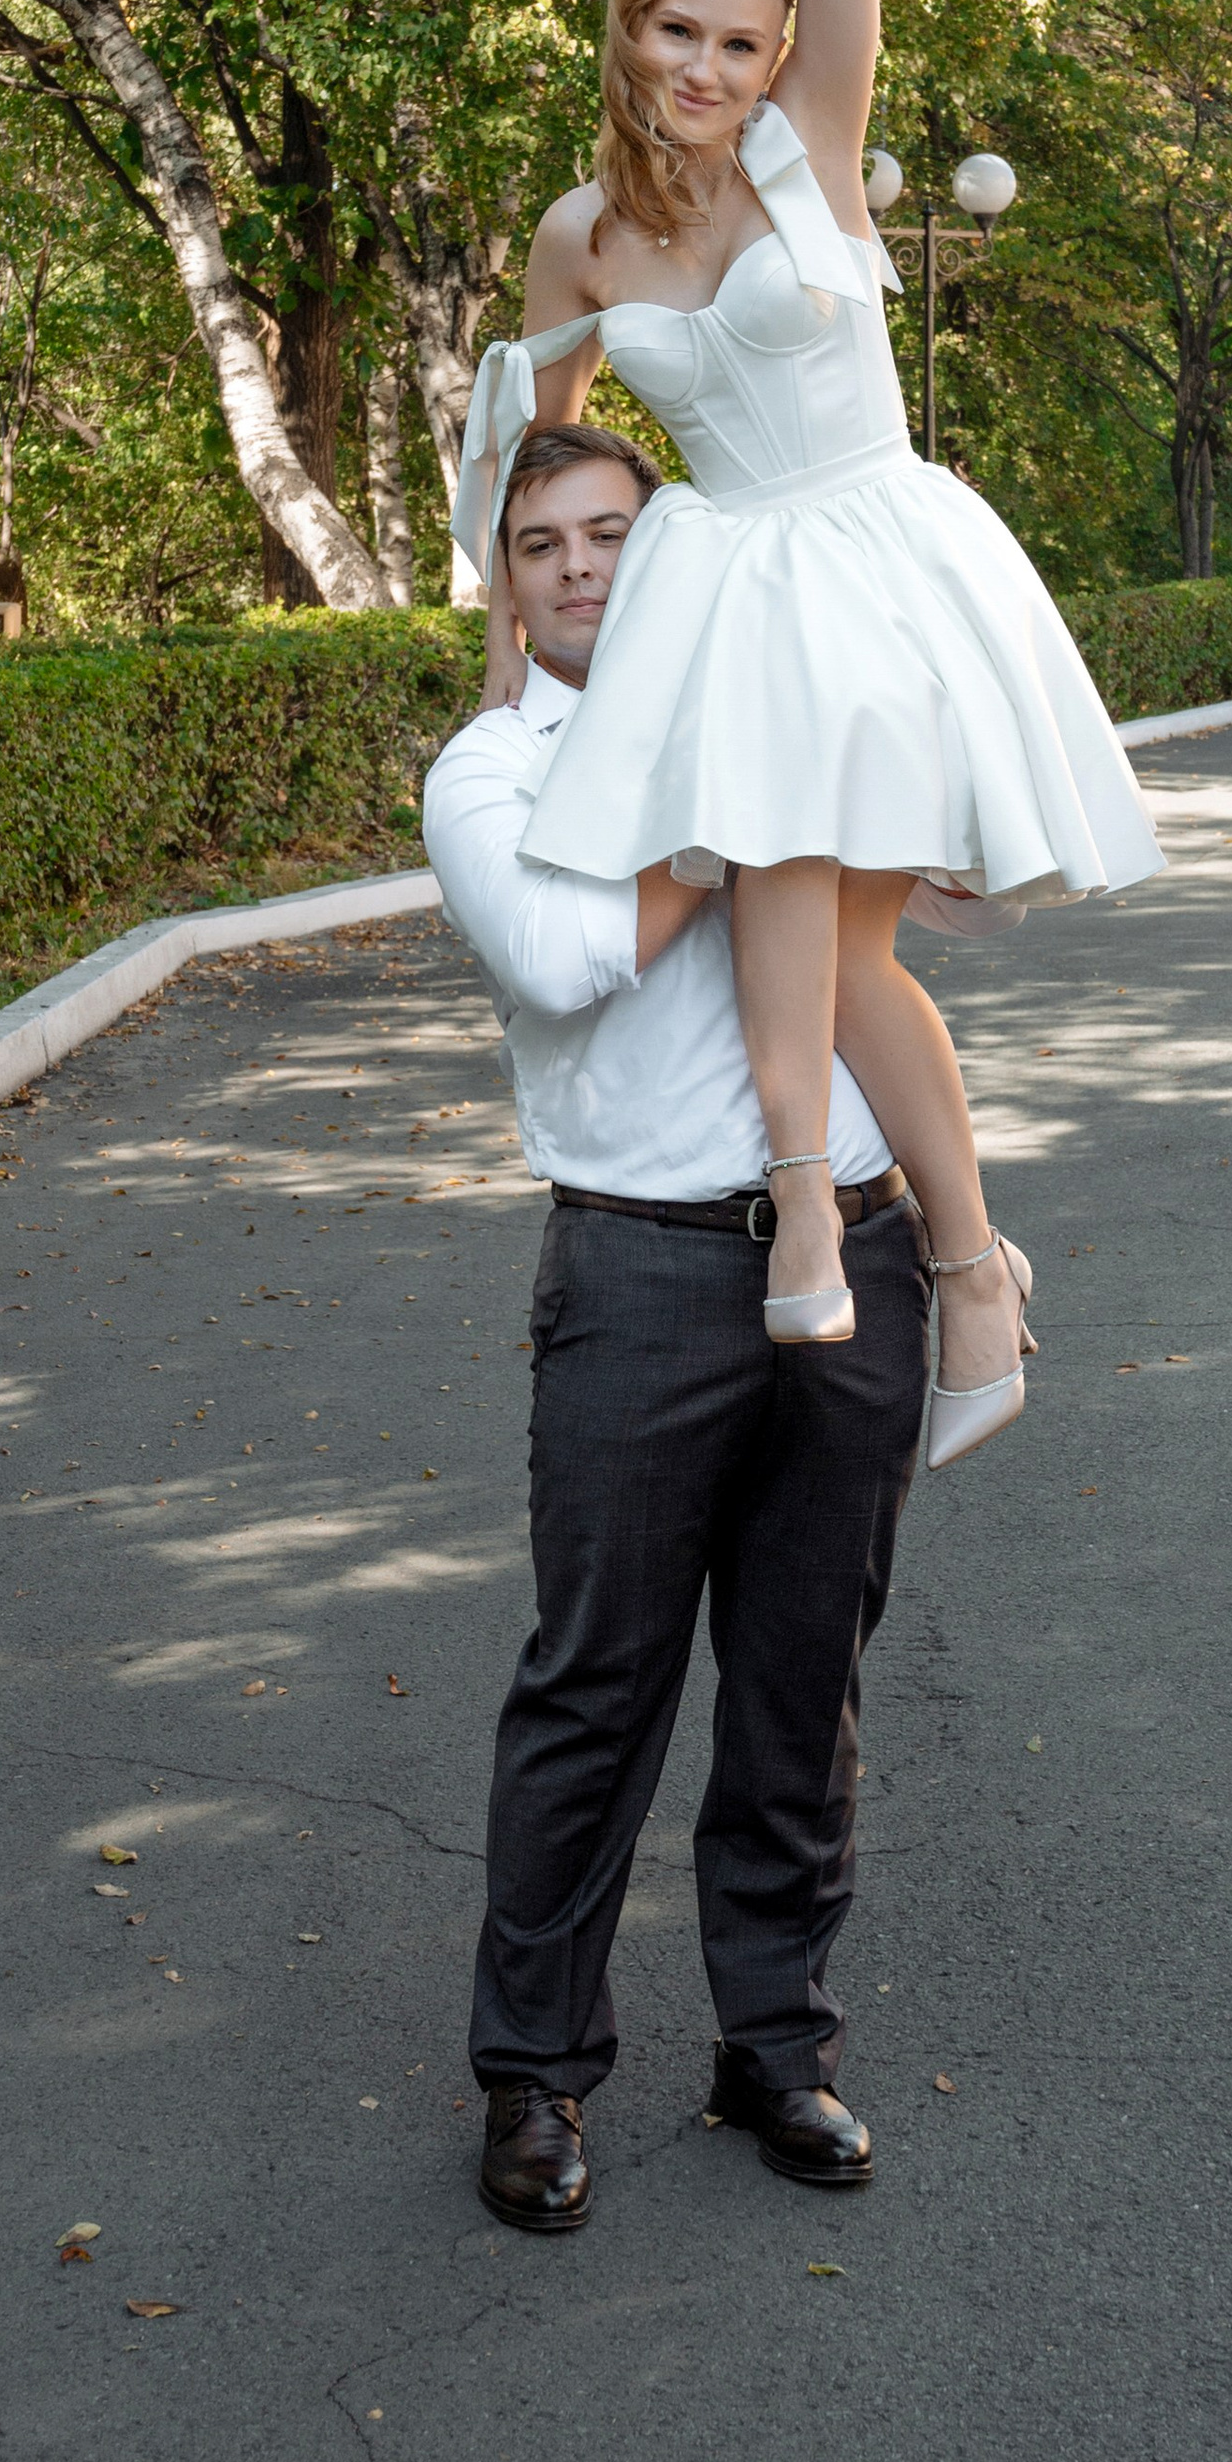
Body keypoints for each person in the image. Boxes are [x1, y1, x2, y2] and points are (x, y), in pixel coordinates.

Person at [453, 0, 1158, 1459]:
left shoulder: (810, 153)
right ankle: (886, 1240)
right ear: (629, 30)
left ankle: (932, 1254)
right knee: (814, 919)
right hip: (733, 575)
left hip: (875, 550)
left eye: (738, 41)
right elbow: (539, 451)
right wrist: (520, 658)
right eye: (676, 31)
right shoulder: (581, 236)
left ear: (778, 58)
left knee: (830, 928)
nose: (706, 67)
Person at [425, 419, 946, 2235]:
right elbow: (563, 958)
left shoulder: (791, 717)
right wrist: (742, 818)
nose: (579, 565)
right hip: (638, 1274)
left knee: (807, 1680)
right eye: (542, 544)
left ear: (673, 556)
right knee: (598, 1687)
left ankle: (776, 2048)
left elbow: (918, 921)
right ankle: (535, 2075)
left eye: (611, 533)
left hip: (854, 1256)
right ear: (509, 586)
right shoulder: (492, 771)